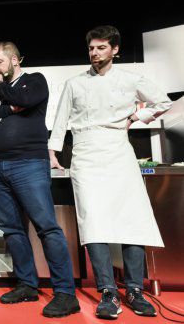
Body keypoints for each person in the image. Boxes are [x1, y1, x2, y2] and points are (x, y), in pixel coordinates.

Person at [49, 25, 172, 320]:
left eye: (101, 47)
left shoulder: (131, 79)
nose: (94, 53)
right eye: (91, 48)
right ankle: (108, 291)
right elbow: (61, 120)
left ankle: (134, 290)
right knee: (94, 223)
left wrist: (136, 115)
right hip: (86, 154)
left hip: (118, 148)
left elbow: (163, 101)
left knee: (132, 220)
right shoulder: (75, 83)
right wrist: (52, 152)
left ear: (115, 49)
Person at [0, 42, 80, 317]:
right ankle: (27, 285)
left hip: (29, 163)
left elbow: (26, 100)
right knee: (11, 229)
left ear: (15, 60)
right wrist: (8, 108)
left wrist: (0, 89)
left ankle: (66, 294)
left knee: (46, 227)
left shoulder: (34, 81)